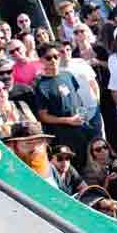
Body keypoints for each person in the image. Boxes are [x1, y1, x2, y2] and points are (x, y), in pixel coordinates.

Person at [33, 42, 94, 170]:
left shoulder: (68, 75)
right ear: (41, 60)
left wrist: (82, 116)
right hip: (63, 135)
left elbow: (76, 98)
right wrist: (68, 121)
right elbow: (43, 116)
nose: (54, 60)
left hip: (82, 129)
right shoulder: (41, 85)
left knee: (90, 163)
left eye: (56, 56)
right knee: (73, 168)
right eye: (49, 58)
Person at [58, 40, 104, 141]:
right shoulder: (57, 71)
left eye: (68, 49)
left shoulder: (81, 62)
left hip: (93, 108)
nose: (65, 52)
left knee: (100, 141)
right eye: (61, 51)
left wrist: (97, 101)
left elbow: (93, 83)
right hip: (76, 114)